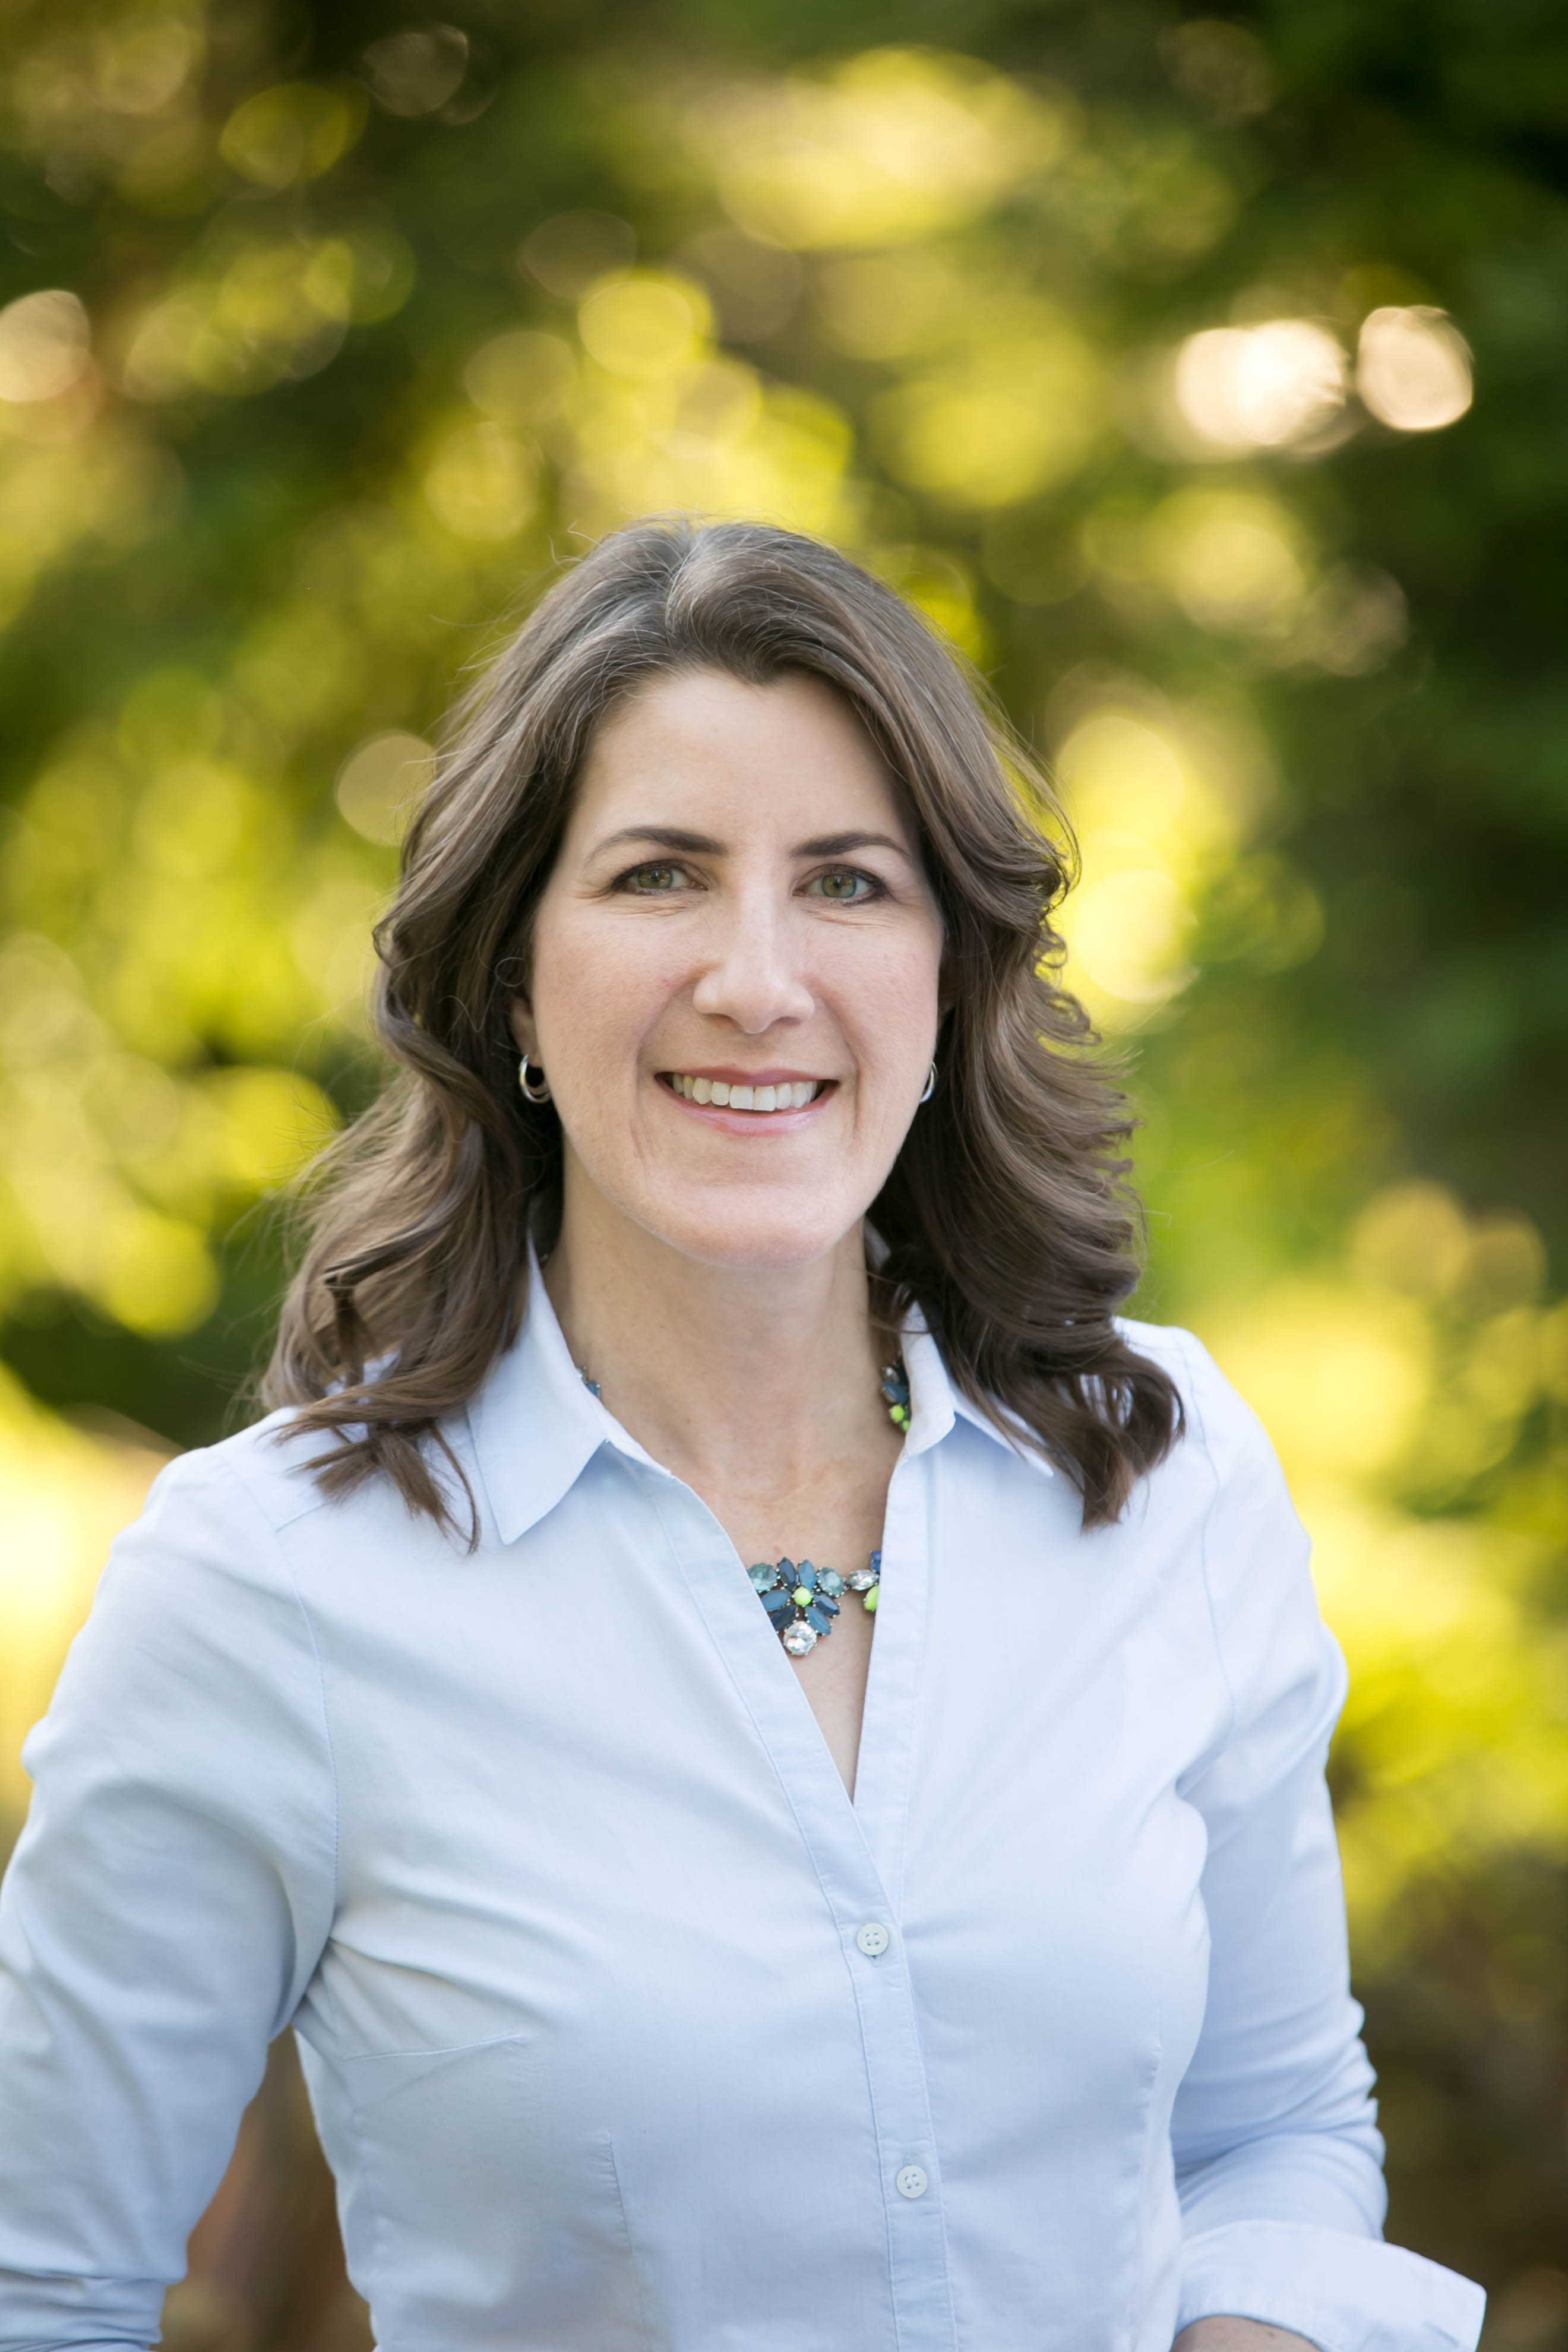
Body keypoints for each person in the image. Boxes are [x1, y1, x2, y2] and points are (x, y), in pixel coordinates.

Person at [0, 520, 1483, 2352]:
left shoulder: (1161, 1473)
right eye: (658, 877)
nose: (758, 980)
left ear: (949, 977)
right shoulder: (266, 1587)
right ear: (513, 981)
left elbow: (1273, 2135)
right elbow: (41, 2287)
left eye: (849, 883)